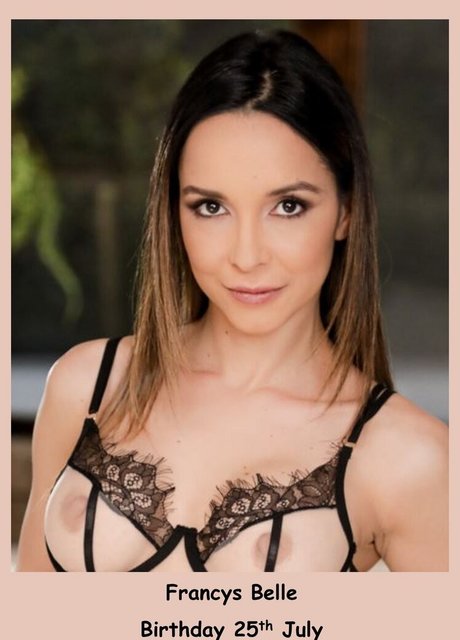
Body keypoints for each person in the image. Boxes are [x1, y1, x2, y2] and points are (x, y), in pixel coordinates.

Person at [16, 29, 447, 572]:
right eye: (211, 207)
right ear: (174, 211)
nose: (246, 256)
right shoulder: (86, 388)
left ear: (346, 212)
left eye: (288, 206)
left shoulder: (409, 458)